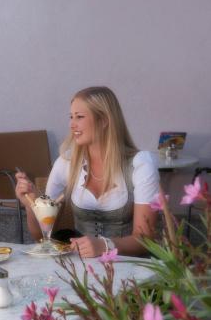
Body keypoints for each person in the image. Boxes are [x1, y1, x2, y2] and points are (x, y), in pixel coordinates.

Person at [16, 86, 160, 258]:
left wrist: (105, 245)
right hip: (82, 269)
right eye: (71, 117)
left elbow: (145, 240)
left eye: (80, 117)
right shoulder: (66, 162)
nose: (72, 124)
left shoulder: (140, 164)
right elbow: (42, 236)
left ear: (104, 120)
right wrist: (31, 204)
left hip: (129, 268)